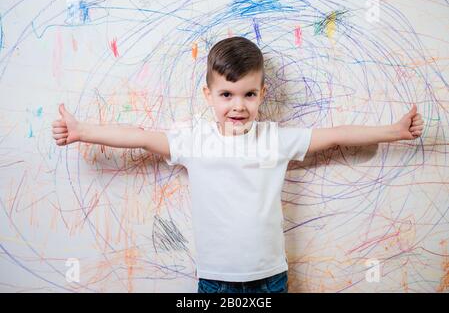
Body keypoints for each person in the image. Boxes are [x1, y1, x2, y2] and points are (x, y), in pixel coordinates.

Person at [52, 36, 424, 293]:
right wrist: (81, 130)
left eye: (248, 94)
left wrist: (394, 131)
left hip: (271, 278)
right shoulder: (193, 140)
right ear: (208, 95)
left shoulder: (274, 138)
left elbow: (336, 135)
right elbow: (139, 136)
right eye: (226, 94)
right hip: (215, 279)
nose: (238, 105)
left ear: (262, 93)